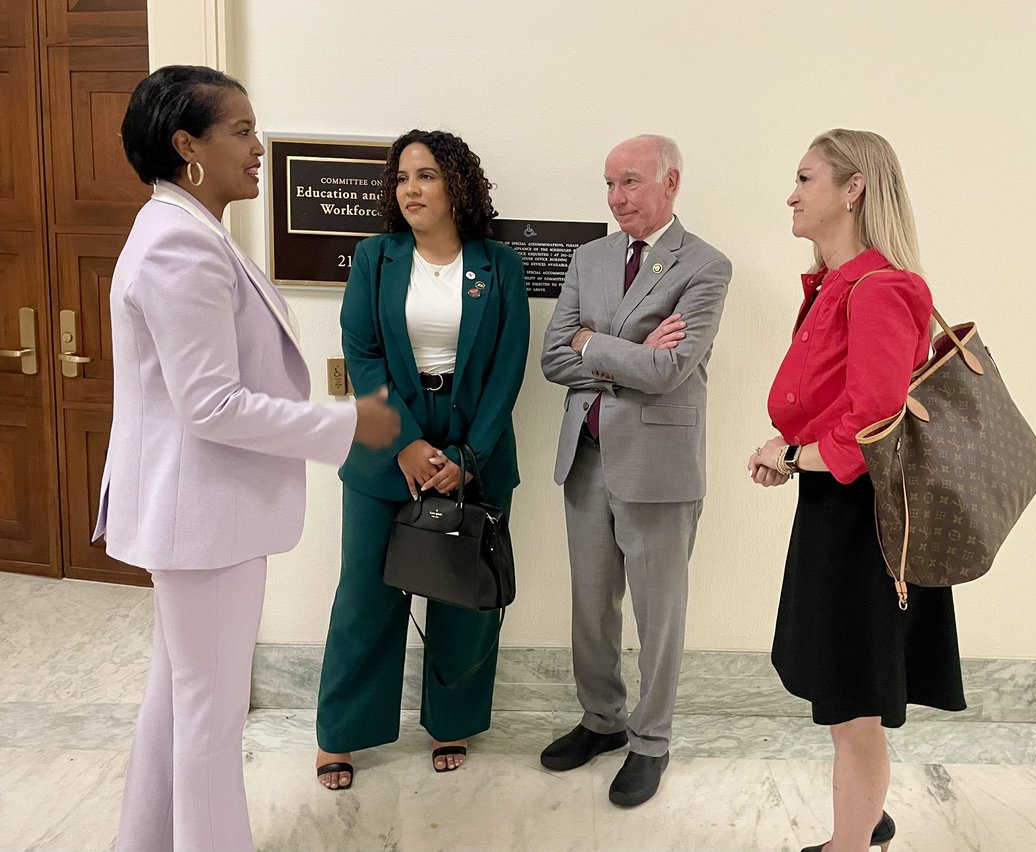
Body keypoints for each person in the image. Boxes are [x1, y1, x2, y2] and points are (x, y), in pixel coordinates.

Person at [95, 65, 401, 852]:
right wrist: (345, 424)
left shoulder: (186, 233)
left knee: (178, 697)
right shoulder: (178, 246)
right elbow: (211, 405)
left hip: (198, 513)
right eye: (241, 130)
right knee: (209, 711)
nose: (258, 147)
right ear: (187, 144)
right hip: (202, 517)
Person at [748, 128, 966, 852]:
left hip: (862, 523)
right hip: (838, 508)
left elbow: (874, 423)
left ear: (853, 188)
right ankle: (864, 822)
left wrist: (794, 451)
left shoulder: (881, 289)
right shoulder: (836, 287)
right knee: (844, 689)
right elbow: (838, 412)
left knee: (852, 703)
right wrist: (794, 454)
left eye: (806, 178)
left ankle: (850, 844)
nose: (792, 192)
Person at [315, 129, 530, 788]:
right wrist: (407, 443)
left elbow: (507, 364)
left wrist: (469, 454)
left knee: (466, 595)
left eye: (427, 175)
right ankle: (343, 733)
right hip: (387, 442)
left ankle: (452, 722)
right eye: (403, 177)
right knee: (365, 596)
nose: (410, 188)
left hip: (475, 444)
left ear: (456, 185)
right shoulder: (376, 257)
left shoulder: (498, 264)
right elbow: (362, 352)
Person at [540, 134, 732, 807]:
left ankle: (651, 741)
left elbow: (667, 369)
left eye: (631, 182)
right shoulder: (589, 256)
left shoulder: (706, 265)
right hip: (586, 458)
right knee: (591, 608)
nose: (618, 198)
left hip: (658, 467)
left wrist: (592, 342)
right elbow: (551, 359)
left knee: (660, 616)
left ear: (670, 182)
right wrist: (625, 348)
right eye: (609, 184)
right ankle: (602, 721)